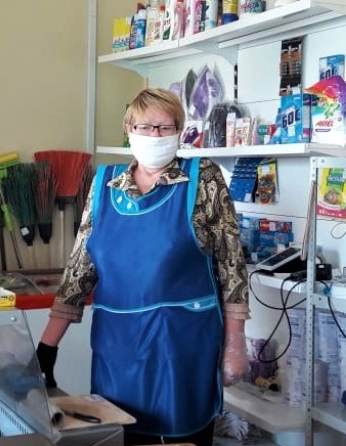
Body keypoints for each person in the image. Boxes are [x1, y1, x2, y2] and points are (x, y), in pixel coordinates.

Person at [36, 87, 250, 446]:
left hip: (182, 343)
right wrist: (47, 348)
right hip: (118, 345)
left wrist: (235, 345)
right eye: (145, 127)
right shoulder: (104, 184)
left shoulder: (203, 178)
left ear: (179, 131)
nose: (155, 135)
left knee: (182, 436)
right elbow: (80, 269)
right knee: (121, 432)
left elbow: (232, 264)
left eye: (166, 127)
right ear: (128, 129)